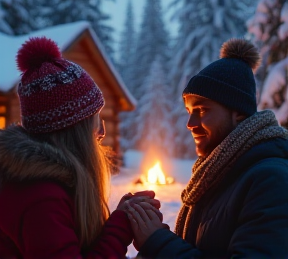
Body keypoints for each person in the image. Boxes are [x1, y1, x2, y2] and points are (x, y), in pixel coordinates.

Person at [0, 37, 161, 259]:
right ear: (75, 130)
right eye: (95, 120)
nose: (102, 132)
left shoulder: (49, 185)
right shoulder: (41, 197)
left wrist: (119, 217)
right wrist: (119, 228)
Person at [127, 38, 288, 258]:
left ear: (238, 112)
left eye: (202, 110)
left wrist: (158, 242)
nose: (190, 123)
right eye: (188, 110)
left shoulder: (271, 180)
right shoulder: (217, 175)